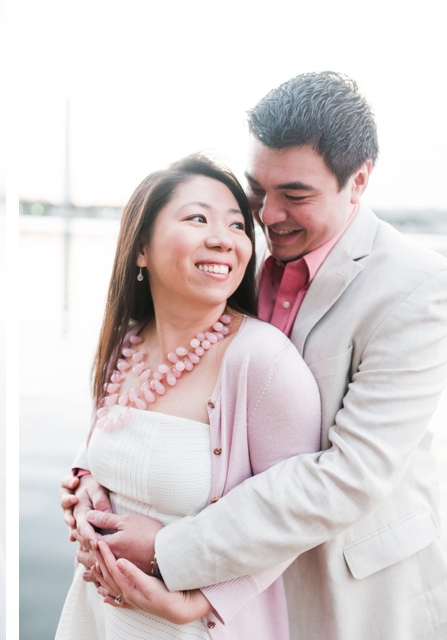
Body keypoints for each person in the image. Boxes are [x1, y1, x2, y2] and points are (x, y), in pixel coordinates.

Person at [64, 72, 447, 639]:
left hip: (348, 583)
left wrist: (170, 553)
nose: (267, 216)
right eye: (256, 191)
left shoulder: (417, 290)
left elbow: (349, 476)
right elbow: (172, 380)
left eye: (295, 195)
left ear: (358, 181)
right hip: (226, 573)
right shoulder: (238, 251)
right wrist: (93, 481)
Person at [52, 154, 321, 639]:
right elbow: (105, 446)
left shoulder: (262, 362)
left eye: (238, 225)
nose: (223, 238)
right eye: (198, 218)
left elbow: (295, 517)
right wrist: (84, 483)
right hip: (100, 618)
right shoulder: (126, 342)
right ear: (141, 248)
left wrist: (197, 601)